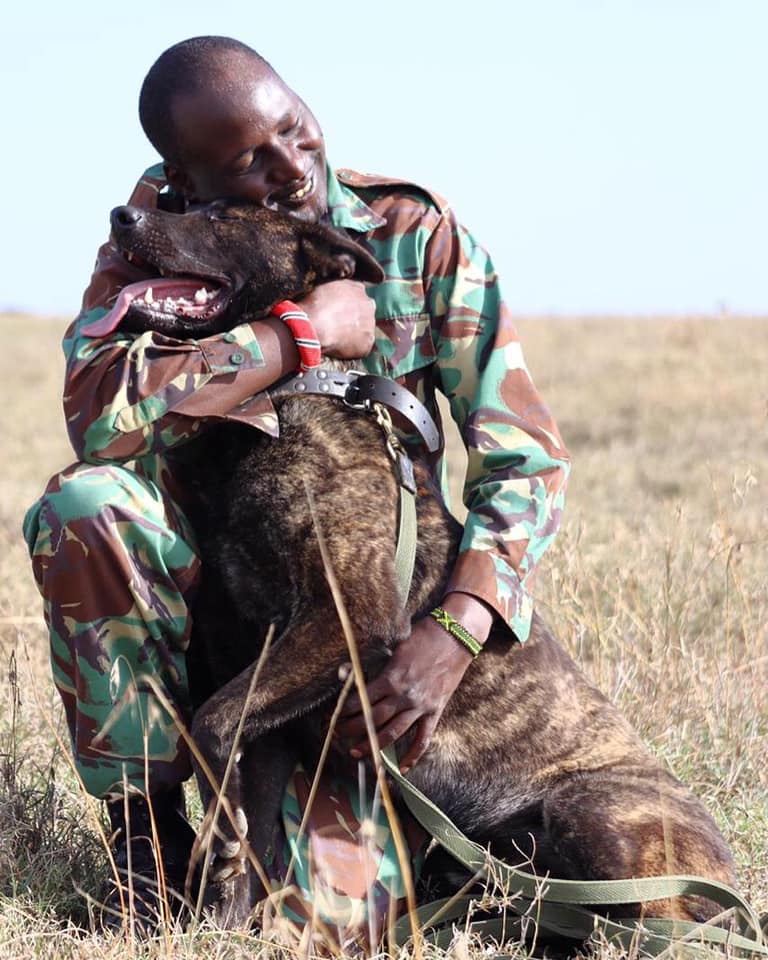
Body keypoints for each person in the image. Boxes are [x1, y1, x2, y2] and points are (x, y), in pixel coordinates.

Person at [23, 36, 570, 933]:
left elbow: (526, 455)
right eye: (248, 161)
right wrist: (294, 338)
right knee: (85, 508)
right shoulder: (155, 242)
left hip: (342, 634)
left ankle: (392, 844)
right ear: (187, 180)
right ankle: (147, 851)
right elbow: (102, 420)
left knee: (325, 927)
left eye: (295, 128)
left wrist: (460, 625)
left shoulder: (414, 233)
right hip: (204, 609)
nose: (290, 166)